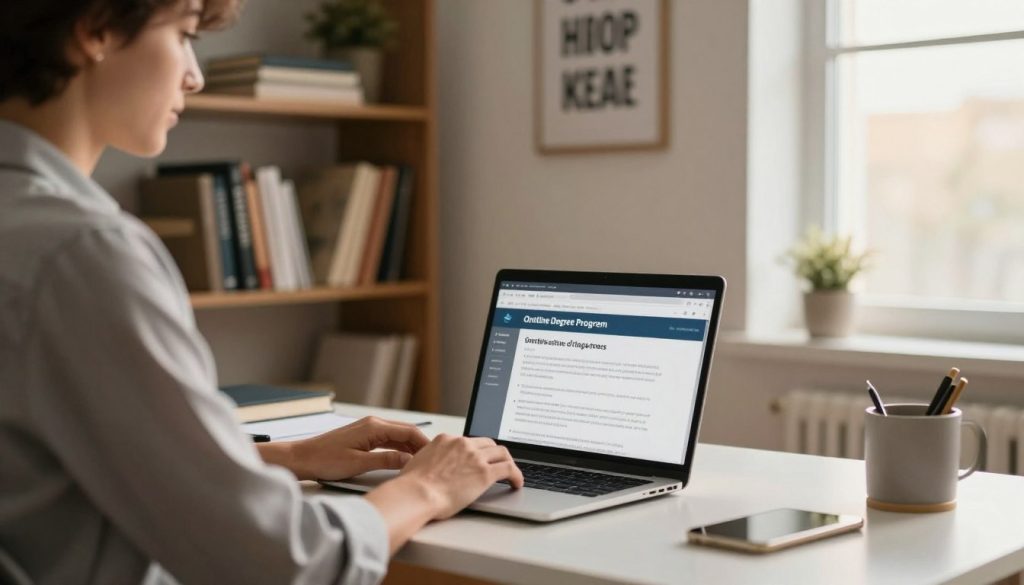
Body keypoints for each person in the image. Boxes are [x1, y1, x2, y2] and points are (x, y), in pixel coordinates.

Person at [0, 1, 524, 584]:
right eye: (184, 34)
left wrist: (287, 457)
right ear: (94, 29)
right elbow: (282, 564)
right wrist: (426, 487)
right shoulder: (82, 255)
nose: (195, 75)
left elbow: (53, 464)